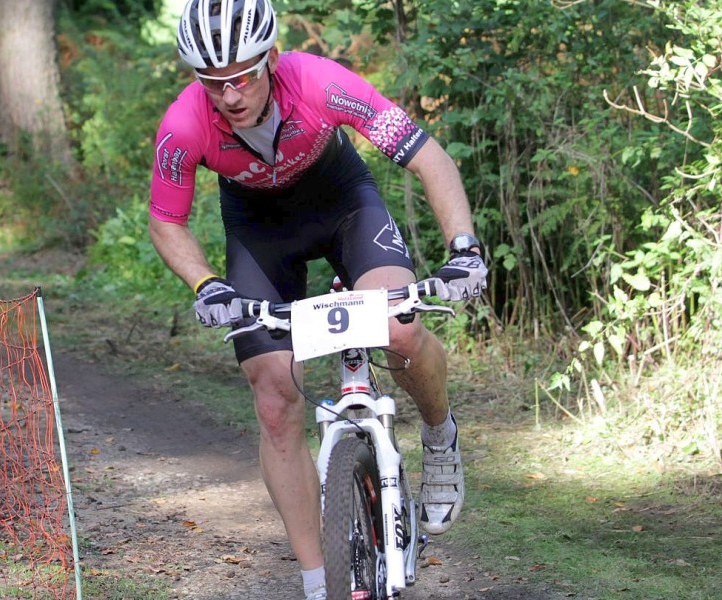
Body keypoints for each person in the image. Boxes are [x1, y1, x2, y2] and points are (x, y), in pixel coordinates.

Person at [148, 1, 487, 598]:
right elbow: (166, 222)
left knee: (400, 328)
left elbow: (429, 158)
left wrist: (463, 248)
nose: (229, 95)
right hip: (258, 233)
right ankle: (316, 582)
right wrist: (208, 286)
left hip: (343, 206)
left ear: (272, 57)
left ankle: (440, 435)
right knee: (274, 396)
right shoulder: (184, 126)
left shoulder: (321, 83)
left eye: (243, 76)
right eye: (212, 82)